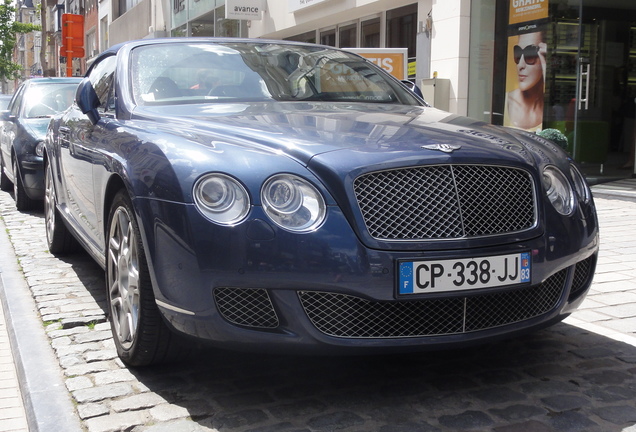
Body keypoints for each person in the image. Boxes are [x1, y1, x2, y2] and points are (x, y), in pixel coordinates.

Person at [505, 31, 547, 132]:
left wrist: (546, 68)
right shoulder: (507, 102)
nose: (520, 65)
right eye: (518, 55)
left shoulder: (552, 109)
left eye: (530, 55)